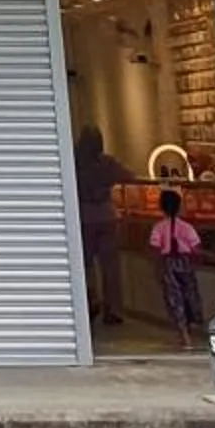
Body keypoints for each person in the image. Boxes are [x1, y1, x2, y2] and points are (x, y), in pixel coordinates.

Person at [73, 126, 137, 327]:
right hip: (107, 216)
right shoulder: (107, 162)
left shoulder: (75, 162)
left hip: (83, 217)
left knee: (86, 265)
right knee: (110, 266)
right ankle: (113, 309)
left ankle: (90, 301)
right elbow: (130, 176)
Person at [148, 187, 205, 353]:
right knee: (189, 294)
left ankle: (184, 334)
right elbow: (196, 247)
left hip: (168, 264)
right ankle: (191, 326)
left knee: (175, 298)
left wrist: (156, 267)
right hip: (185, 263)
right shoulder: (187, 227)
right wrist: (198, 261)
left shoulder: (159, 227)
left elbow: (155, 248)